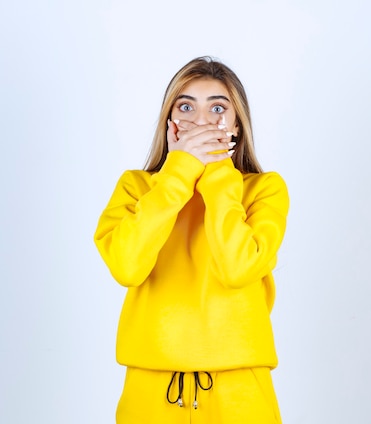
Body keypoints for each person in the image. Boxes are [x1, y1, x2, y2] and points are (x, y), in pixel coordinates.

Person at [94, 56, 289, 424]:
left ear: (236, 124)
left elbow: (238, 268)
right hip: (150, 390)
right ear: (171, 122)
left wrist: (217, 172)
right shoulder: (136, 188)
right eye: (186, 106)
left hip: (240, 391)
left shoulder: (264, 190)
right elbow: (126, 267)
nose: (201, 121)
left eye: (217, 108)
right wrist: (178, 171)